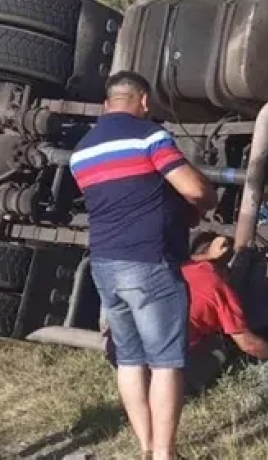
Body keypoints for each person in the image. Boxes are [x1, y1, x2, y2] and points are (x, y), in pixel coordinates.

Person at [70, 71, 217, 460]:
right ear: (145, 102)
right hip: (148, 262)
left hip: (104, 263)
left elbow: (126, 196)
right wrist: (202, 205)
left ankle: (147, 448)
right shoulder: (149, 136)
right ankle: (166, 455)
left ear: (107, 103)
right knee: (166, 361)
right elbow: (194, 188)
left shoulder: (81, 151)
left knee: (129, 359)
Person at [104, 230, 268, 394]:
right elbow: (248, 343)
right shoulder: (217, 286)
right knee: (221, 346)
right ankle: (177, 383)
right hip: (155, 359)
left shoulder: (171, 264)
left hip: (117, 347)